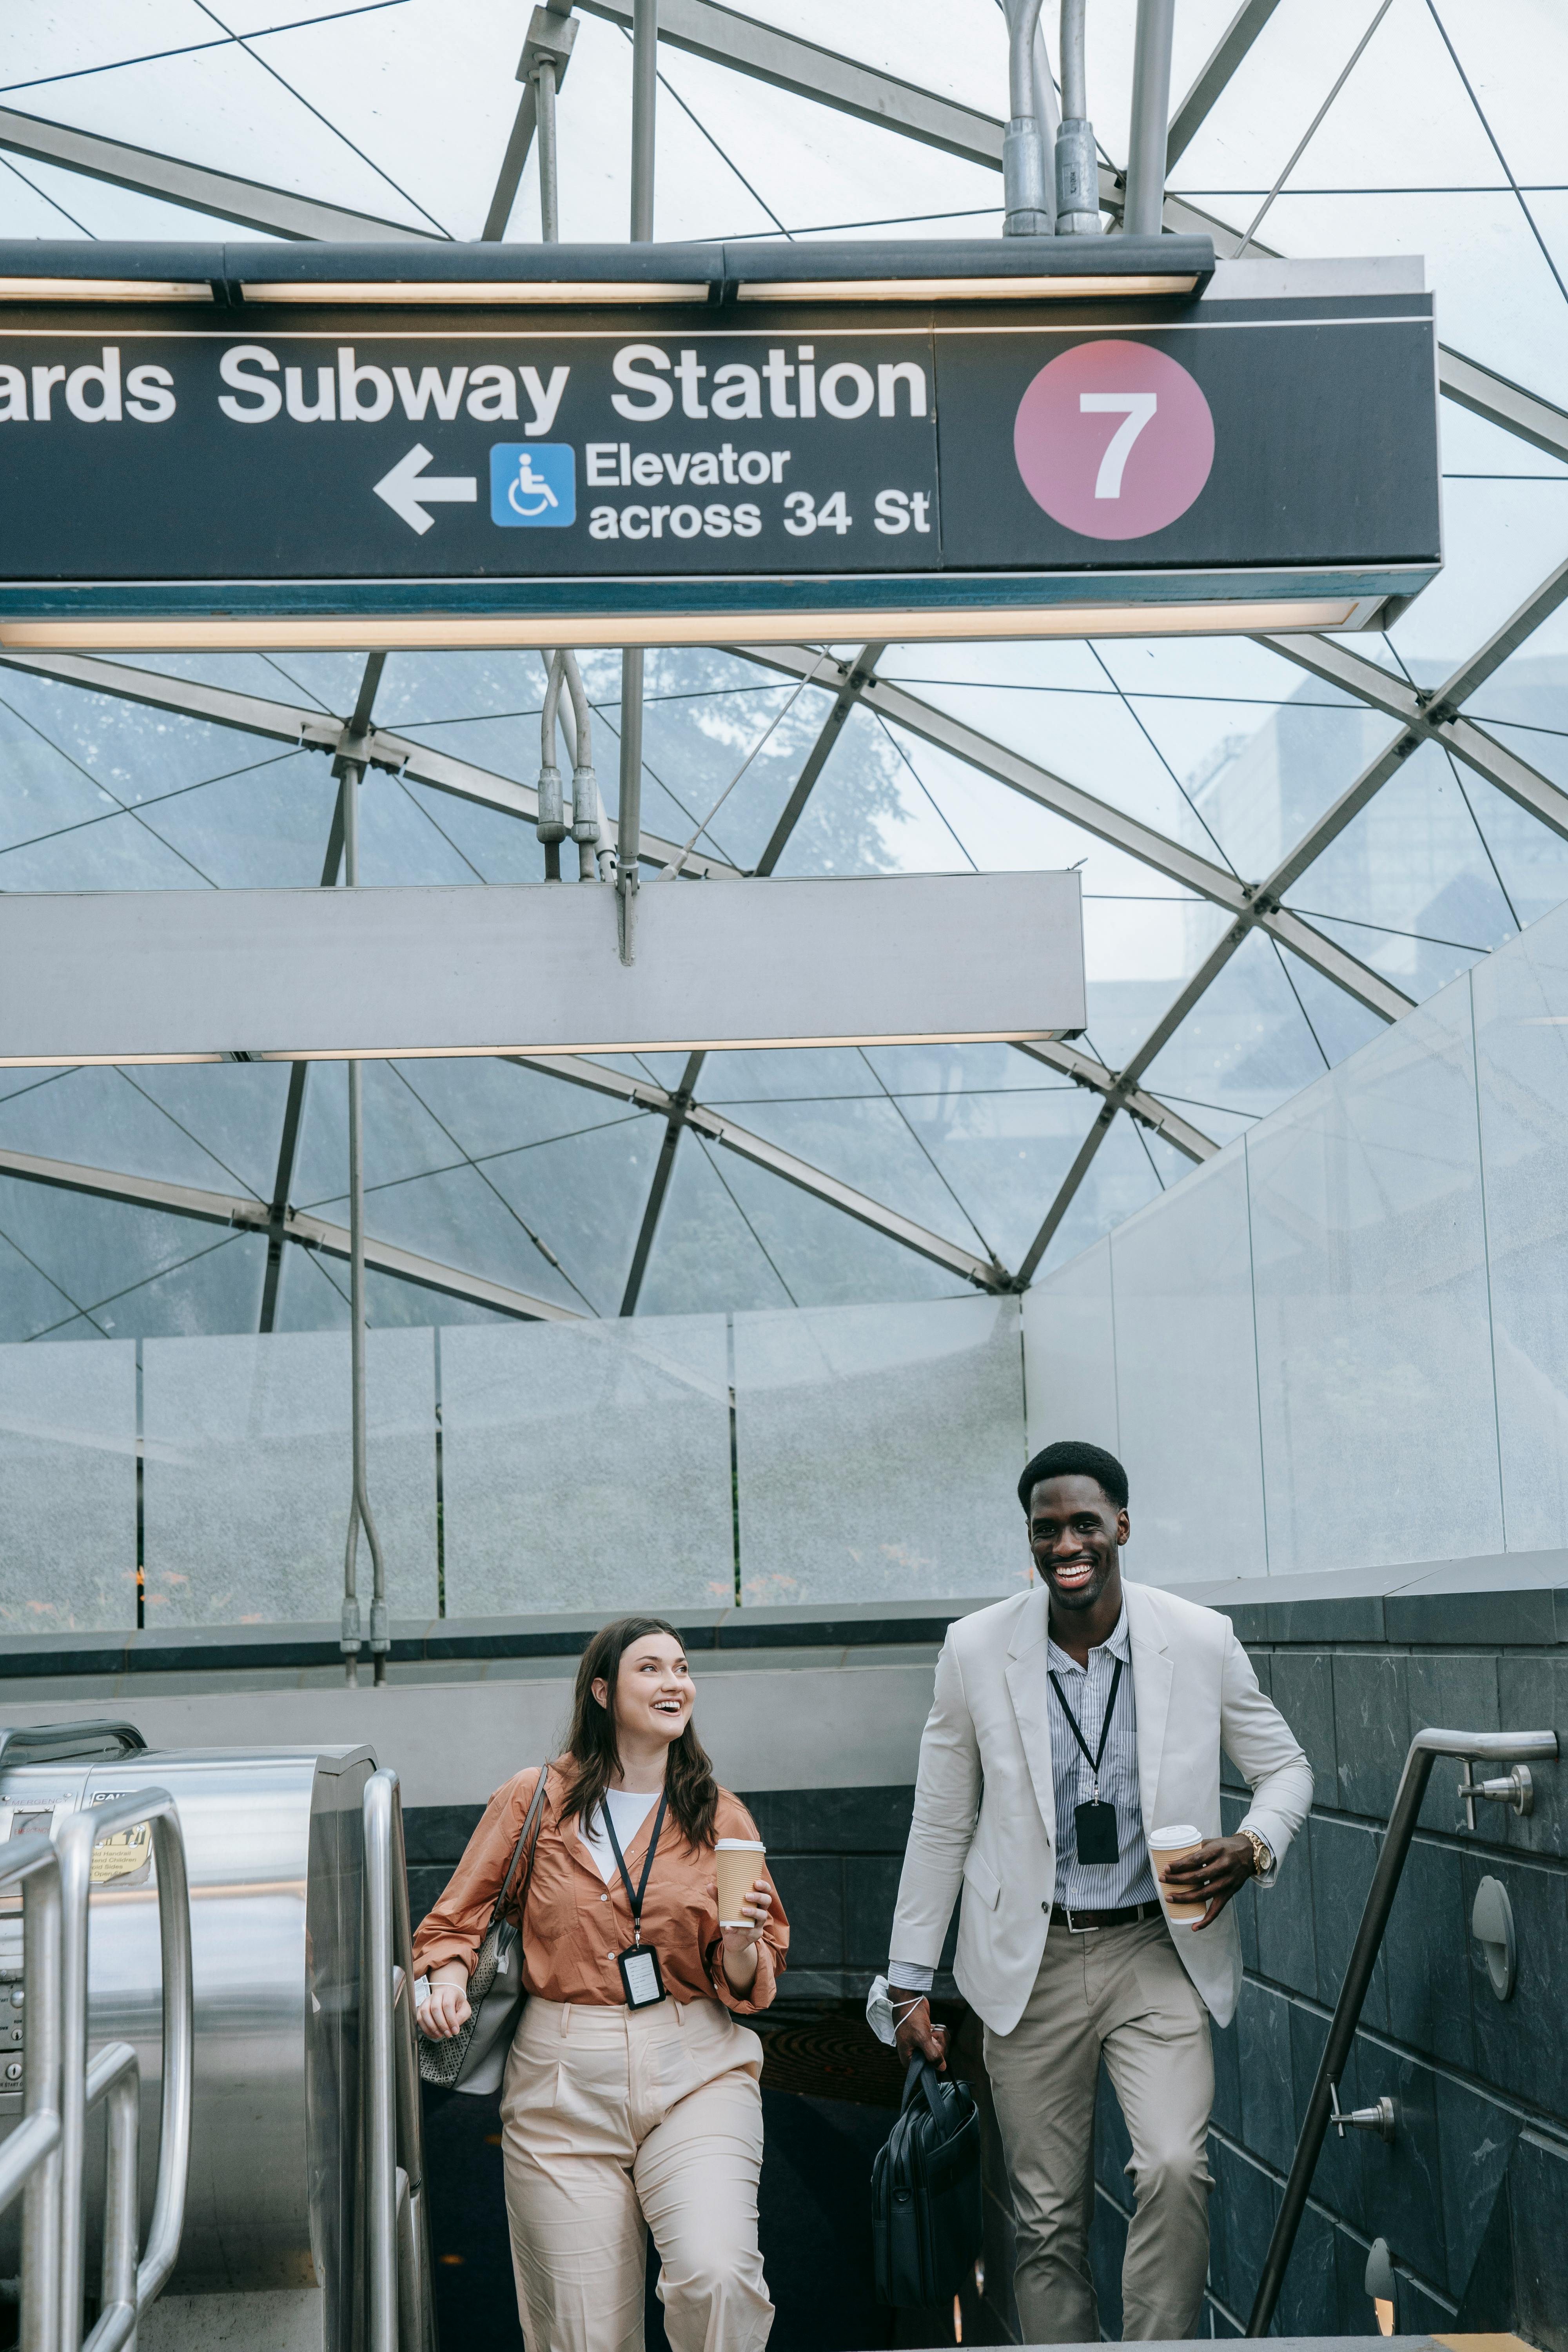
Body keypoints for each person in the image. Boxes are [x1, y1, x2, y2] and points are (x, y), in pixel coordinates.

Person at [887, 1440, 1312, 2344]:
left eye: (1084, 1523)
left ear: (1121, 1525)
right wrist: (906, 1979)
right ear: (1030, 1540)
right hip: (1026, 1965)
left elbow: (1284, 1770)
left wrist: (1252, 1846)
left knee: (1169, 2166)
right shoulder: (972, 1650)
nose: (1065, 1543)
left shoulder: (1197, 1640)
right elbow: (939, 1824)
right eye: (1046, 1529)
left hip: (1156, 1950)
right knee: (1044, 2223)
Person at [413, 1615, 787, 2352]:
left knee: (717, 2276)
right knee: (581, 2335)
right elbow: (453, 1924)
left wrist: (742, 1943)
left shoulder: (719, 1816)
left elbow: (747, 1980)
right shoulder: (534, 1800)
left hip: (695, 2067)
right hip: (561, 2078)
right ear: (601, 1690)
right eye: (650, 1669)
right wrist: (448, 1982)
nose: (674, 1682)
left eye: (682, 1669)